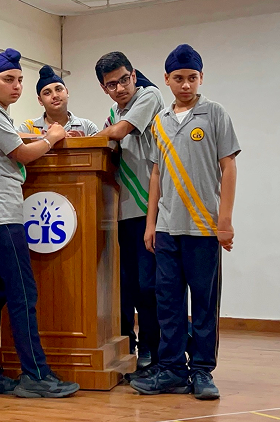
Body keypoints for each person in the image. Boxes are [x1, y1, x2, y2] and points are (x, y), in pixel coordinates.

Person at [0, 48, 80, 398]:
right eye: (8, 79)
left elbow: (13, 142)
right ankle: (35, 375)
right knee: (22, 293)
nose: (16, 86)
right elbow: (22, 154)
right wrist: (52, 137)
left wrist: (40, 138)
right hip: (0, 214)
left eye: (19, 80)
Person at [131, 44, 240, 400]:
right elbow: (156, 175)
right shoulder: (159, 122)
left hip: (204, 229)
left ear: (201, 77)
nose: (186, 85)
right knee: (168, 303)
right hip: (167, 229)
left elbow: (229, 167)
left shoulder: (214, 114)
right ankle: (173, 370)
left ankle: (202, 371)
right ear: (166, 80)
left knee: (205, 303)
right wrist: (150, 224)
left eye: (192, 78)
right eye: (178, 78)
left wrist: (225, 221)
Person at [94, 52, 164, 377]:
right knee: (130, 286)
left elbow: (119, 132)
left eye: (124, 79)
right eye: (112, 84)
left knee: (150, 286)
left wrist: (92, 136)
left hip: (152, 208)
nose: (120, 88)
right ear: (104, 88)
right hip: (124, 212)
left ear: (134, 75)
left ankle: (155, 349)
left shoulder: (149, 96)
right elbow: (108, 146)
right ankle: (133, 346)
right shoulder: (113, 111)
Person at [18, 65, 98, 137]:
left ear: (67, 92)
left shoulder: (87, 127)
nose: (55, 95)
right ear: (40, 100)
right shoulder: (28, 128)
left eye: (59, 89)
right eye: (47, 93)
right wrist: (47, 137)